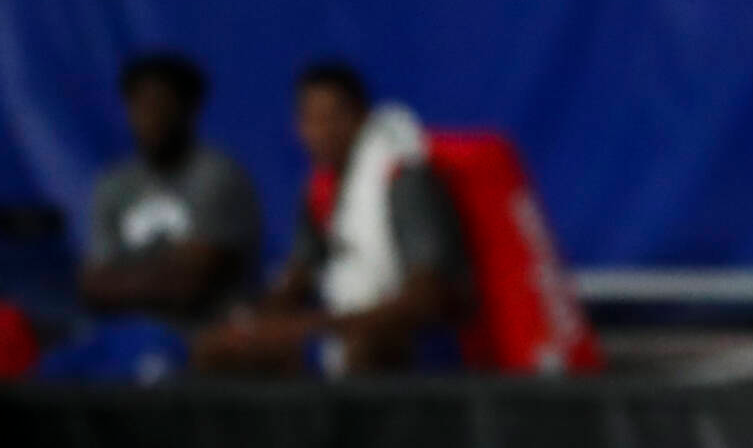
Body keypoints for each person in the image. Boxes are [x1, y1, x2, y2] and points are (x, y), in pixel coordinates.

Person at [191, 62, 470, 376]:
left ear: (363, 117)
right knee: (219, 348)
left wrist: (321, 325)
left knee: (369, 347)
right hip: (339, 323)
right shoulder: (320, 186)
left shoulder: (402, 176)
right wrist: (254, 325)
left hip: (407, 337)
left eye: (334, 118)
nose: (322, 132)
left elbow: (428, 297)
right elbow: (298, 277)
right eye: (311, 120)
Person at [36, 52, 264, 381]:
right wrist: (169, 270)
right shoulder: (113, 184)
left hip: (201, 337)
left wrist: (125, 277)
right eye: (139, 105)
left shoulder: (219, 177)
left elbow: (192, 285)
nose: (150, 117)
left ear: (189, 109)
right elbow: (92, 285)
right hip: (123, 338)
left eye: (161, 104)